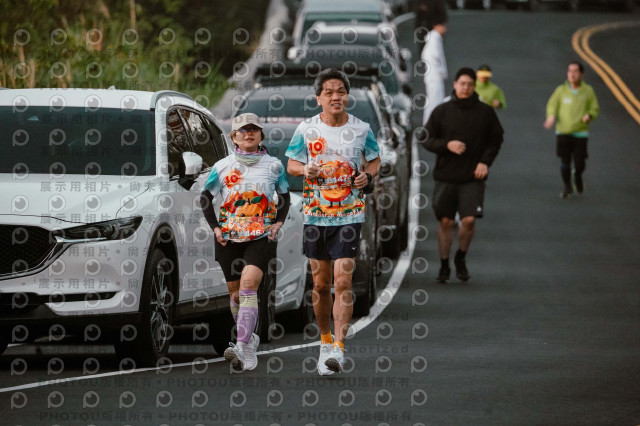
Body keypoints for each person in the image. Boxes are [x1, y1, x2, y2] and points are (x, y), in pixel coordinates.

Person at [286, 68, 380, 375]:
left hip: (349, 214)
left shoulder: (362, 129)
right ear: (319, 98)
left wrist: (368, 176)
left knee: (342, 281)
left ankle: (339, 348)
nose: (335, 97)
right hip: (316, 214)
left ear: (347, 96)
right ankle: (325, 341)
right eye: (329, 92)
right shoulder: (307, 129)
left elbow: (375, 160)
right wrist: (305, 170)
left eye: (341, 91)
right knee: (320, 283)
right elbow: (291, 164)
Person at [201, 113, 290, 372]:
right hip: (228, 238)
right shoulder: (222, 166)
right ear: (234, 137)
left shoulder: (274, 166)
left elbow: (284, 197)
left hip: (261, 237)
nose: (248, 133)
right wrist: (215, 228)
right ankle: (249, 340)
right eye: (242, 130)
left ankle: (240, 345)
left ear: (261, 135)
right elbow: (205, 197)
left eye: (253, 129)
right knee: (235, 294)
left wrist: (278, 223)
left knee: (248, 286)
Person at [423, 67, 504, 283]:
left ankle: (460, 257)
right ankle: (444, 265)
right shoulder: (442, 111)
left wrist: (485, 162)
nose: (466, 88)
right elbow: (426, 139)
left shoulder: (485, 112)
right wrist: (446, 145)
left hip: (472, 177)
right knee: (446, 222)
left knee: (468, 221)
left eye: (470, 84)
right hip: (446, 176)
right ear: (455, 85)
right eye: (462, 84)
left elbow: (496, 139)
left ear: (474, 86)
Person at [544, 61, 599, 198]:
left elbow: (594, 107)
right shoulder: (561, 90)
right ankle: (567, 187)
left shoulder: (588, 91)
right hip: (563, 131)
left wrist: (589, 115)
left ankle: (578, 175)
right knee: (565, 160)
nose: (572, 74)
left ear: (581, 74)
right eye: (569, 71)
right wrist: (551, 116)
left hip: (580, 132)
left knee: (580, 162)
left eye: (575, 71)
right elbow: (552, 105)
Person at [421, 21, 448, 126]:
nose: (445, 29)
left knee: (434, 99)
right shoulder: (434, 39)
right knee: (435, 100)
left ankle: (430, 123)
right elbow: (434, 56)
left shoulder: (434, 38)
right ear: (437, 26)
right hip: (434, 75)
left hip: (433, 75)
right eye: (444, 26)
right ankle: (432, 124)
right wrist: (440, 70)